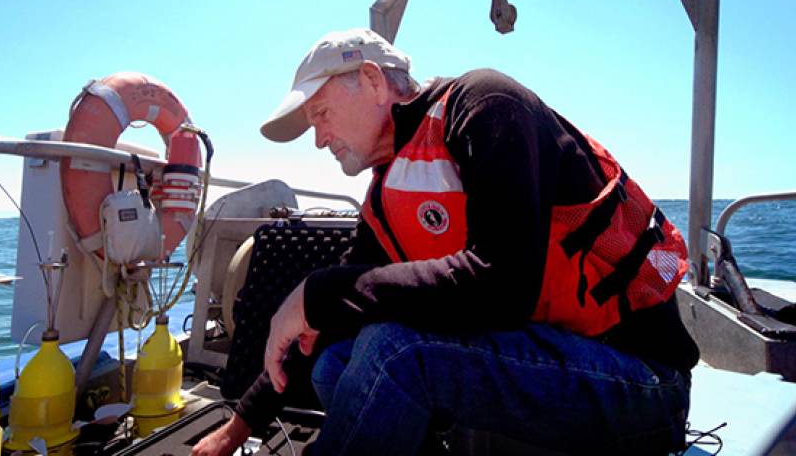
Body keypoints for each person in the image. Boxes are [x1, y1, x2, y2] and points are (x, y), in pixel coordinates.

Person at [193, 28, 699, 456]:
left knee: (394, 350)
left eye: (321, 114)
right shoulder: (388, 194)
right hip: (540, 366)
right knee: (336, 360)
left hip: (641, 382)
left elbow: (503, 287)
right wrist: (240, 426)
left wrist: (319, 293)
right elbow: (333, 314)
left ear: (371, 80)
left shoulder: (483, 105)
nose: (319, 139)